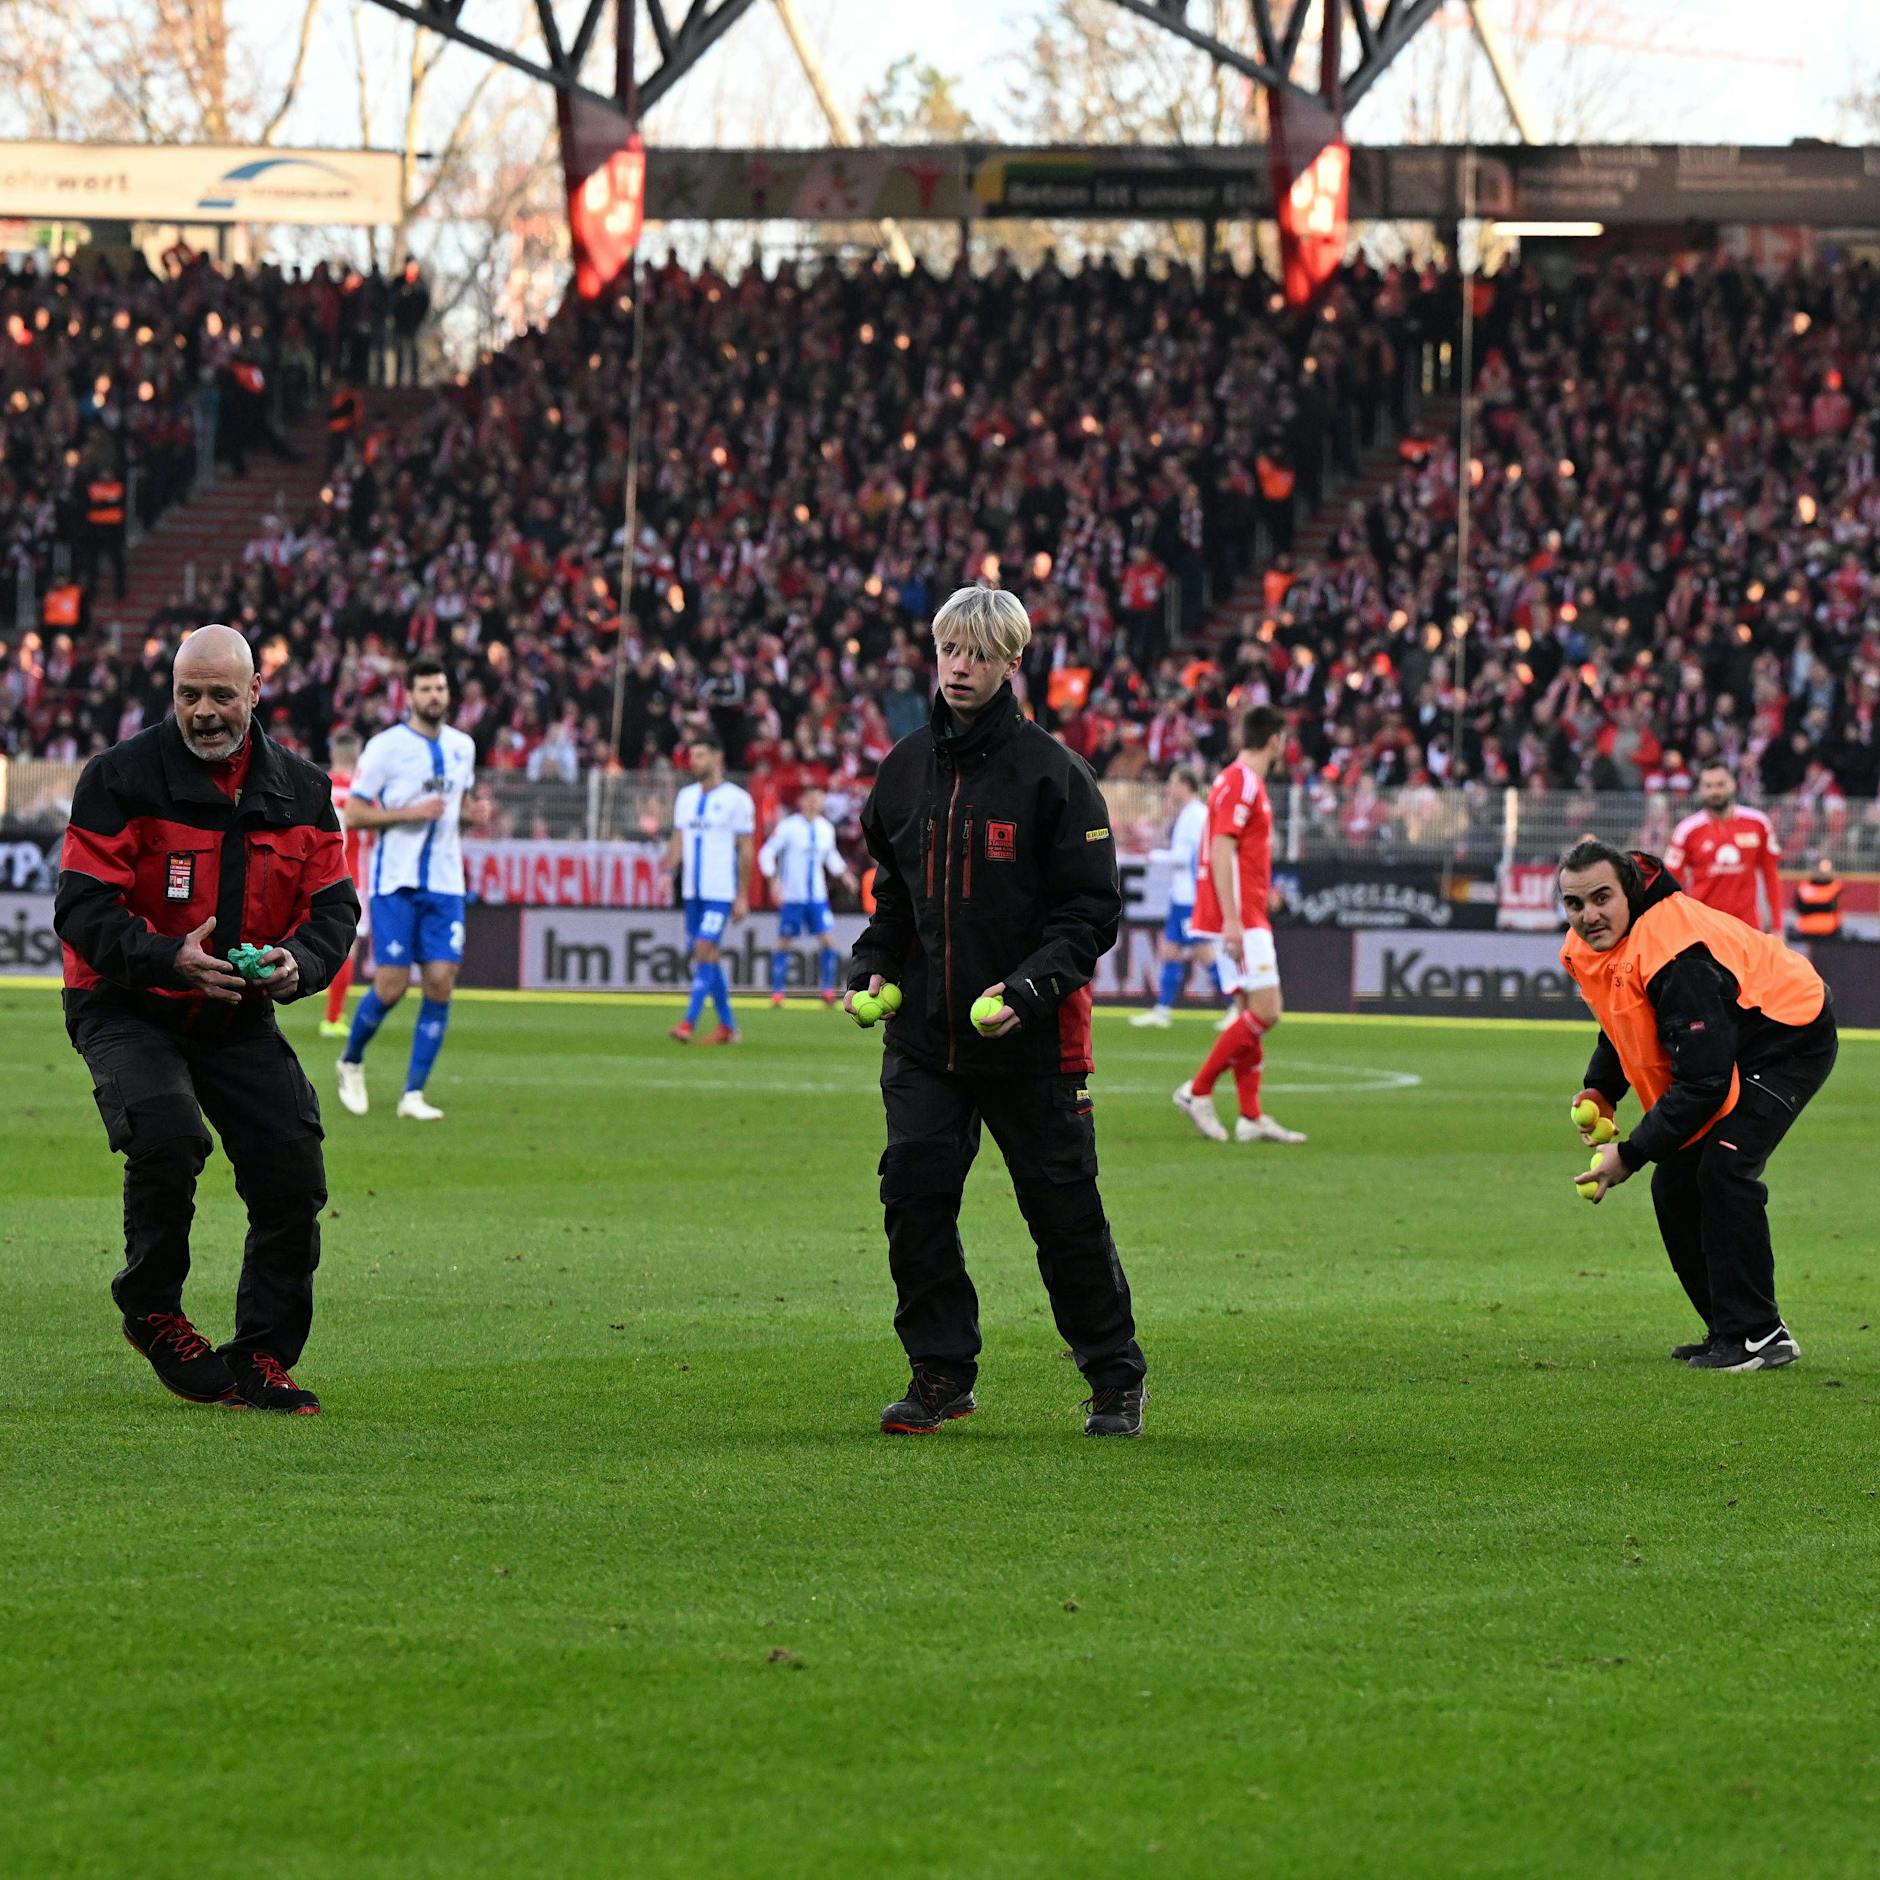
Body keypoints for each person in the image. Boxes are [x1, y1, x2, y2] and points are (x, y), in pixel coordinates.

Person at [847, 585, 1148, 1438]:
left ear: (1012, 662)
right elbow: (894, 900)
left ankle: (1114, 1377)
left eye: (979, 654)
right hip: (925, 1039)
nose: (960, 667)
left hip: (1035, 1041)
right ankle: (940, 1373)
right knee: (913, 1197)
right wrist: (873, 965)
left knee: (1063, 1215)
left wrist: (1027, 991)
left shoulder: (1056, 774)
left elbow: (1091, 913)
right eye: (951, 649)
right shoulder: (903, 768)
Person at [53, 624, 358, 1413]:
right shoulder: (119, 778)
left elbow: (334, 910)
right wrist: (167, 957)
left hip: (233, 1010)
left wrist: (300, 963)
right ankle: (152, 1310)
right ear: (173, 694)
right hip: (126, 1001)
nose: (204, 711)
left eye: (222, 694)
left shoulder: (303, 790)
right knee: (167, 1134)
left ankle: (262, 1356)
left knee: (292, 1168)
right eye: (189, 694)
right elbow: (81, 908)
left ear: (255, 692)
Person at [1558, 840, 1836, 1371]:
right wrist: (1602, 1089)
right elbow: (1622, 1015)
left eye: (1601, 898)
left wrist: (1630, 1155)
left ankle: (1759, 1335)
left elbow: (1705, 1082)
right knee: (1675, 1185)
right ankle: (1731, 1330)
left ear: (1629, 892)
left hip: (1789, 1036)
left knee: (1724, 1169)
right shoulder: (1601, 943)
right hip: (1736, 1034)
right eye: (1575, 903)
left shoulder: (1676, 956)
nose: (1588, 915)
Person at [334, 657, 477, 1120]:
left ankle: (413, 1094)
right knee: (391, 986)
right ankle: (350, 1060)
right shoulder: (385, 748)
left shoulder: (463, 747)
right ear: (410, 696)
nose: (434, 696)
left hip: (446, 883)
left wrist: (473, 815)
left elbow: (458, 806)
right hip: (396, 881)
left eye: (441, 688)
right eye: (426, 689)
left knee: (440, 982)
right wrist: (411, 813)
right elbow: (355, 814)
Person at [1174, 706, 1307, 1145]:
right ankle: (1197, 1090)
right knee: (1268, 1010)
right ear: (1274, 740)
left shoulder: (1238, 781)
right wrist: (1233, 919)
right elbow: (1222, 848)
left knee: (1251, 1011)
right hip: (1241, 919)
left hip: (1246, 911)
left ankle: (1250, 1116)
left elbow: (1240, 852)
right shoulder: (1242, 781)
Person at [666, 731, 755, 1044]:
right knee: (708, 955)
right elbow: (678, 840)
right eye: (692, 755)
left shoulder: (737, 800)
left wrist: (742, 895)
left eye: (700, 755)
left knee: (704, 948)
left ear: (717, 759)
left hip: (720, 892)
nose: (694, 761)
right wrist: (667, 871)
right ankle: (728, 1027)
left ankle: (688, 1022)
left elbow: (746, 850)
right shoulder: (686, 797)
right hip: (692, 891)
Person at [1131, 764, 1213, 1027]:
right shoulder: (1188, 814)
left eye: (1174, 783)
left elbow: (1183, 858)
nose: (1170, 788)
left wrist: (1153, 856)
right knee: (1170, 950)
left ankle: (1236, 1005)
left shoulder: (1195, 815)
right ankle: (1163, 1009)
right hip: (1182, 895)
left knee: (1202, 950)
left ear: (1186, 785)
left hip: (1191, 896)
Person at [758, 782, 854, 1006]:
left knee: (828, 941)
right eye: (809, 799)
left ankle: (827, 990)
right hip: (793, 896)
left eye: (817, 799)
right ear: (801, 801)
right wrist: (773, 881)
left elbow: (830, 856)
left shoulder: (825, 828)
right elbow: (766, 853)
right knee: (784, 941)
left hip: (817, 897)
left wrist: (845, 875)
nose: (813, 803)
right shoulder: (788, 827)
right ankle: (777, 991)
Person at [1665, 766, 1782, 933]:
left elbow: (1771, 874)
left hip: (1747, 929)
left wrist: (1778, 926)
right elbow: (1668, 882)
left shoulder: (1758, 823)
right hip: (1703, 929)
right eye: (1709, 786)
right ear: (1700, 789)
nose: (1715, 791)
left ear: (1733, 784)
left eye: (1720, 784)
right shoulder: (1687, 830)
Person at [318, 727, 371, 1040]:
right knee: (348, 948)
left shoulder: (320, 786)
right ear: (358, 754)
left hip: (322, 876)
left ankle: (334, 1012)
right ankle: (333, 1017)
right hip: (354, 877)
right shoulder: (361, 792)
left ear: (333, 753)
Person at [1793, 856, 1842, 940]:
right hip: (1806, 932)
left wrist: (1810, 905)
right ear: (1815, 869)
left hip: (1829, 934)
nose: (1823, 872)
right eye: (1821, 868)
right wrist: (1823, 904)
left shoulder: (1835, 886)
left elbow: (1831, 907)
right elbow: (1800, 907)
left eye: (1826, 868)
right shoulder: (1804, 886)